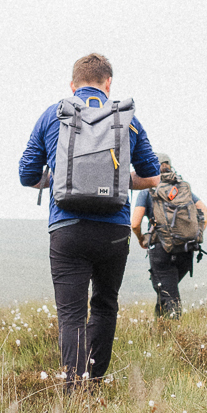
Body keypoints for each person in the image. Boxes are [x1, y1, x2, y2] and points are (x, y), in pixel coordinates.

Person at [18, 53, 161, 389]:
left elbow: (26, 174)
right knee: (105, 305)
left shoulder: (53, 115)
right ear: (108, 83)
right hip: (114, 228)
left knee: (71, 315)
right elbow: (152, 175)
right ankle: (95, 382)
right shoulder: (127, 119)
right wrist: (115, 181)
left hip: (67, 227)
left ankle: (74, 390)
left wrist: (59, 180)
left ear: (72, 84)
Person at [130, 153, 207, 318]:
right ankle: (160, 326)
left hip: (161, 250)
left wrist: (141, 239)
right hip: (186, 248)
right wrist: (196, 233)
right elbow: (205, 211)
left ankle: (174, 329)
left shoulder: (147, 190)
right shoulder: (182, 188)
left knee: (168, 293)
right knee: (166, 289)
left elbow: (135, 223)